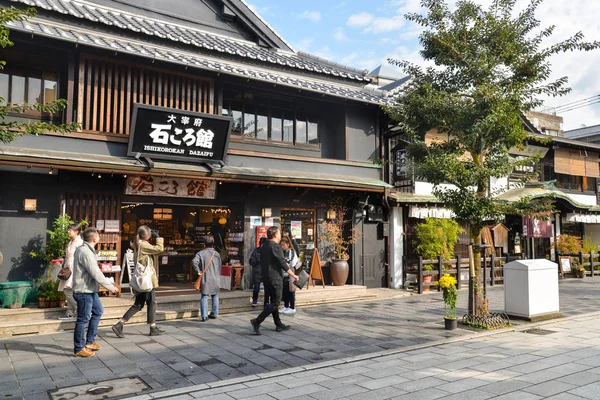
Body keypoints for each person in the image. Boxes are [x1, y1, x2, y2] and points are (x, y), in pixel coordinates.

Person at [72, 227, 118, 357]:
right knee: (83, 319)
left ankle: (90, 341)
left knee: (98, 311)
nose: (99, 237)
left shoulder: (86, 250)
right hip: (84, 290)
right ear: (94, 238)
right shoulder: (85, 252)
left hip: (90, 289)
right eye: (98, 235)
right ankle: (78, 348)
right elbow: (95, 272)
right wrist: (110, 286)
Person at [112, 225, 165, 338]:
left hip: (141, 280)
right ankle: (152, 327)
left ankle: (120, 324)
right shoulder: (144, 244)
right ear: (147, 235)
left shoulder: (137, 243)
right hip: (146, 280)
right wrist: (159, 237)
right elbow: (159, 249)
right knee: (151, 303)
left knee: (138, 304)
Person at [250, 226, 299, 335]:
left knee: (273, 302)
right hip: (275, 278)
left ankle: (278, 324)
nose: (281, 235)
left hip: (266, 277)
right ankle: (257, 321)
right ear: (276, 235)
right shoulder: (276, 247)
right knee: (276, 302)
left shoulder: (264, 246)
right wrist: (293, 275)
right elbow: (283, 263)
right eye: (279, 233)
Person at [192, 234, 222, 322]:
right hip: (216, 277)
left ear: (204, 243)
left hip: (206, 277)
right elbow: (220, 266)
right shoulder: (216, 254)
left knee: (204, 296)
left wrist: (198, 271)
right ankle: (214, 313)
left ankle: (204, 315)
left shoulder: (201, 253)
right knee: (215, 295)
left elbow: (194, 261)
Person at [58, 223, 83, 320]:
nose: (68, 231)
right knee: (67, 290)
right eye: (68, 229)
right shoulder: (70, 242)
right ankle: (72, 311)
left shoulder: (80, 243)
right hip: (68, 270)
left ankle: (78, 309)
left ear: (77, 232)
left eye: (70, 230)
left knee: (69, 290)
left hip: (75, 270)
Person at [280, 236, 300, 315]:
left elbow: (290, 262)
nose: (282, 247)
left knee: (291, 291)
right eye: (281, 245)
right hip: (284, 275)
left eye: (283, 245)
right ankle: (286, 306)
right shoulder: (282, 252)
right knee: (285, 291)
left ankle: (292, 307)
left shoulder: (291, 252)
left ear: (288, 244)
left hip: (290, 274)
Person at [249, 237, 268, 307]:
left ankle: (266, 302)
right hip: (257, 271)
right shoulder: (256, 251)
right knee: (256, 288)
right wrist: (258, 260)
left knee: (267, 289)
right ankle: (255, 299)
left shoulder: (268, 251)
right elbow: (251, 261)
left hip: (266, 272)